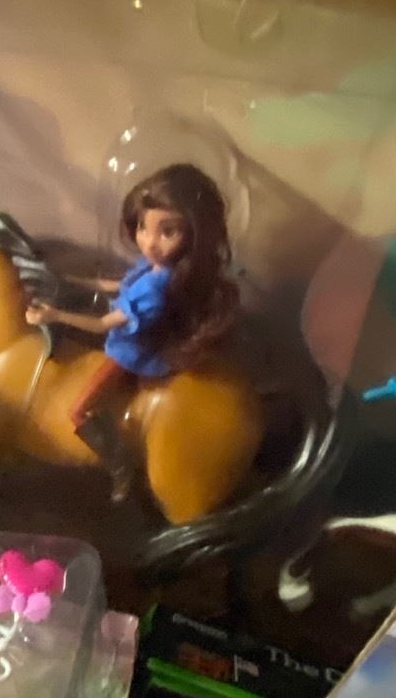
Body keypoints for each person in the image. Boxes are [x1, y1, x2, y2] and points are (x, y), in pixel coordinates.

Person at [25, 163, 239, 494]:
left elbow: (102, 324)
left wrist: (55, 315)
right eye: (142, 227)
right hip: (129, 336)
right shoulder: (151, 267)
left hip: (130, 350)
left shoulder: (157, 288)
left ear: (193, 235)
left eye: (167, 232)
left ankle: (120, 466)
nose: (149, 242)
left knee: (79, 410)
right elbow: (115, 285)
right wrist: (71, 281)